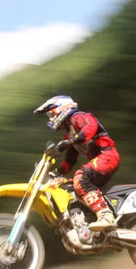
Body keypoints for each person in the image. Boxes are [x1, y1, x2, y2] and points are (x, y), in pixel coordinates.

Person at [33, 95, 120, 232]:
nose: (50, 118)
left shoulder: (79, 116)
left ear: (62, 107)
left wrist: (70, 142)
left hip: (107, 155)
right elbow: (71, 159)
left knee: (80, 178)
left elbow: (90, 128)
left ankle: (106, 216)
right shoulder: (69, 134)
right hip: (99, 161)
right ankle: (88, 222)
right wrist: (57, 172)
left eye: (51, 113)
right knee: (68, 186)